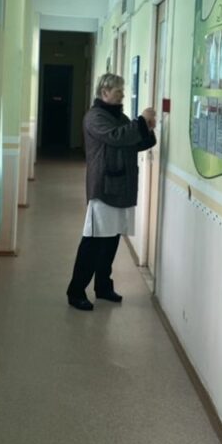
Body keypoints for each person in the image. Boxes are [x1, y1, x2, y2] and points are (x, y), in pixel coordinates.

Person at [66, 73, 157, 311]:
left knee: (111, 240)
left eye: (122, 91)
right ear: (105, 92)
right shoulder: (94, 117)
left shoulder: (120, 117)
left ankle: (103, 286)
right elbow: (117, 137)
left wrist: (147, 130)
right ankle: (76, 291)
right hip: (103, 189)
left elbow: (133, 142)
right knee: (93, 243)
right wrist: (140, 121)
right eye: (118, 91)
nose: (122, 95)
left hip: (121, 188)